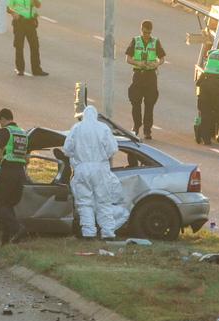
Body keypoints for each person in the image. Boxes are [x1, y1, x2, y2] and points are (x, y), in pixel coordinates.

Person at [63, 106, 123, 240]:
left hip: (82, 168)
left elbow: (67, 149)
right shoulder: (103, 128)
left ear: (83, 115)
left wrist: (77, 156)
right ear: (95, 115)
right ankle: (108, 232)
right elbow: (113, 149)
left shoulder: (77, 128)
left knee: (84, 202)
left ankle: (88, 233)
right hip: (100, 168)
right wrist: (102, 157)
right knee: (104, 201)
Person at [0, 108, 28, 245]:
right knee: (8, 204)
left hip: (8, 171)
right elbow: (27, 158)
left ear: (3, 118)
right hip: (20, 173)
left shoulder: (5, 131)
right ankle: (6, 240)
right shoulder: (23, 133)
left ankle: (17, 228)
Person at [125, 20, 166, 139]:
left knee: (149, 104)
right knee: (135, 102)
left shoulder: (155, 42)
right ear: (141, 29)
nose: (146, 35)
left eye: (148, 32)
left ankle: (147, 130)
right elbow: (127, 58)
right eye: (144, 32)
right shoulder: (135, 40)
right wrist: (138, 63)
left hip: (150, 76)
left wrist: (157, 64)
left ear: (151, 31)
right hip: (138, 75)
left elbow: (162, 58)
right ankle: (136, 126)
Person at [7, 0, 48, 76]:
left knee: (35, 46)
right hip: (19, 23)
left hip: (30, 23)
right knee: (19, 46)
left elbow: (38, 5)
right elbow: (8, 8)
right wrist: (14, 13)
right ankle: (20, 69)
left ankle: (36, 70)